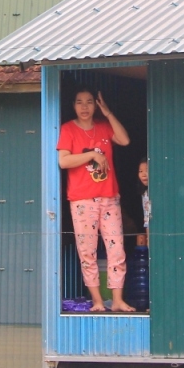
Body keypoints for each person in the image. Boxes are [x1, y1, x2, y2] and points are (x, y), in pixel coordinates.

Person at [57, 89, 134, 312]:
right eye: (80, 102)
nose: (84, 107)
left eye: (90, 102)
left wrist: (108, 113)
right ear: (73, 105)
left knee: (116, 249)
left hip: (109, 197)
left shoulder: (103, 126)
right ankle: (98, 301)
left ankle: (117, 300)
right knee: (87, 252)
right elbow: (64, 161)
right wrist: (92, 155)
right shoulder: (68, 129)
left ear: (96, 105)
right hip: (82, 200)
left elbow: (125, 140)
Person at [136, 159, 151, 248]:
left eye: (147, 170)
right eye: (140, 171)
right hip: (149, 227)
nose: (143, 174)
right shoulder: (144, 193)